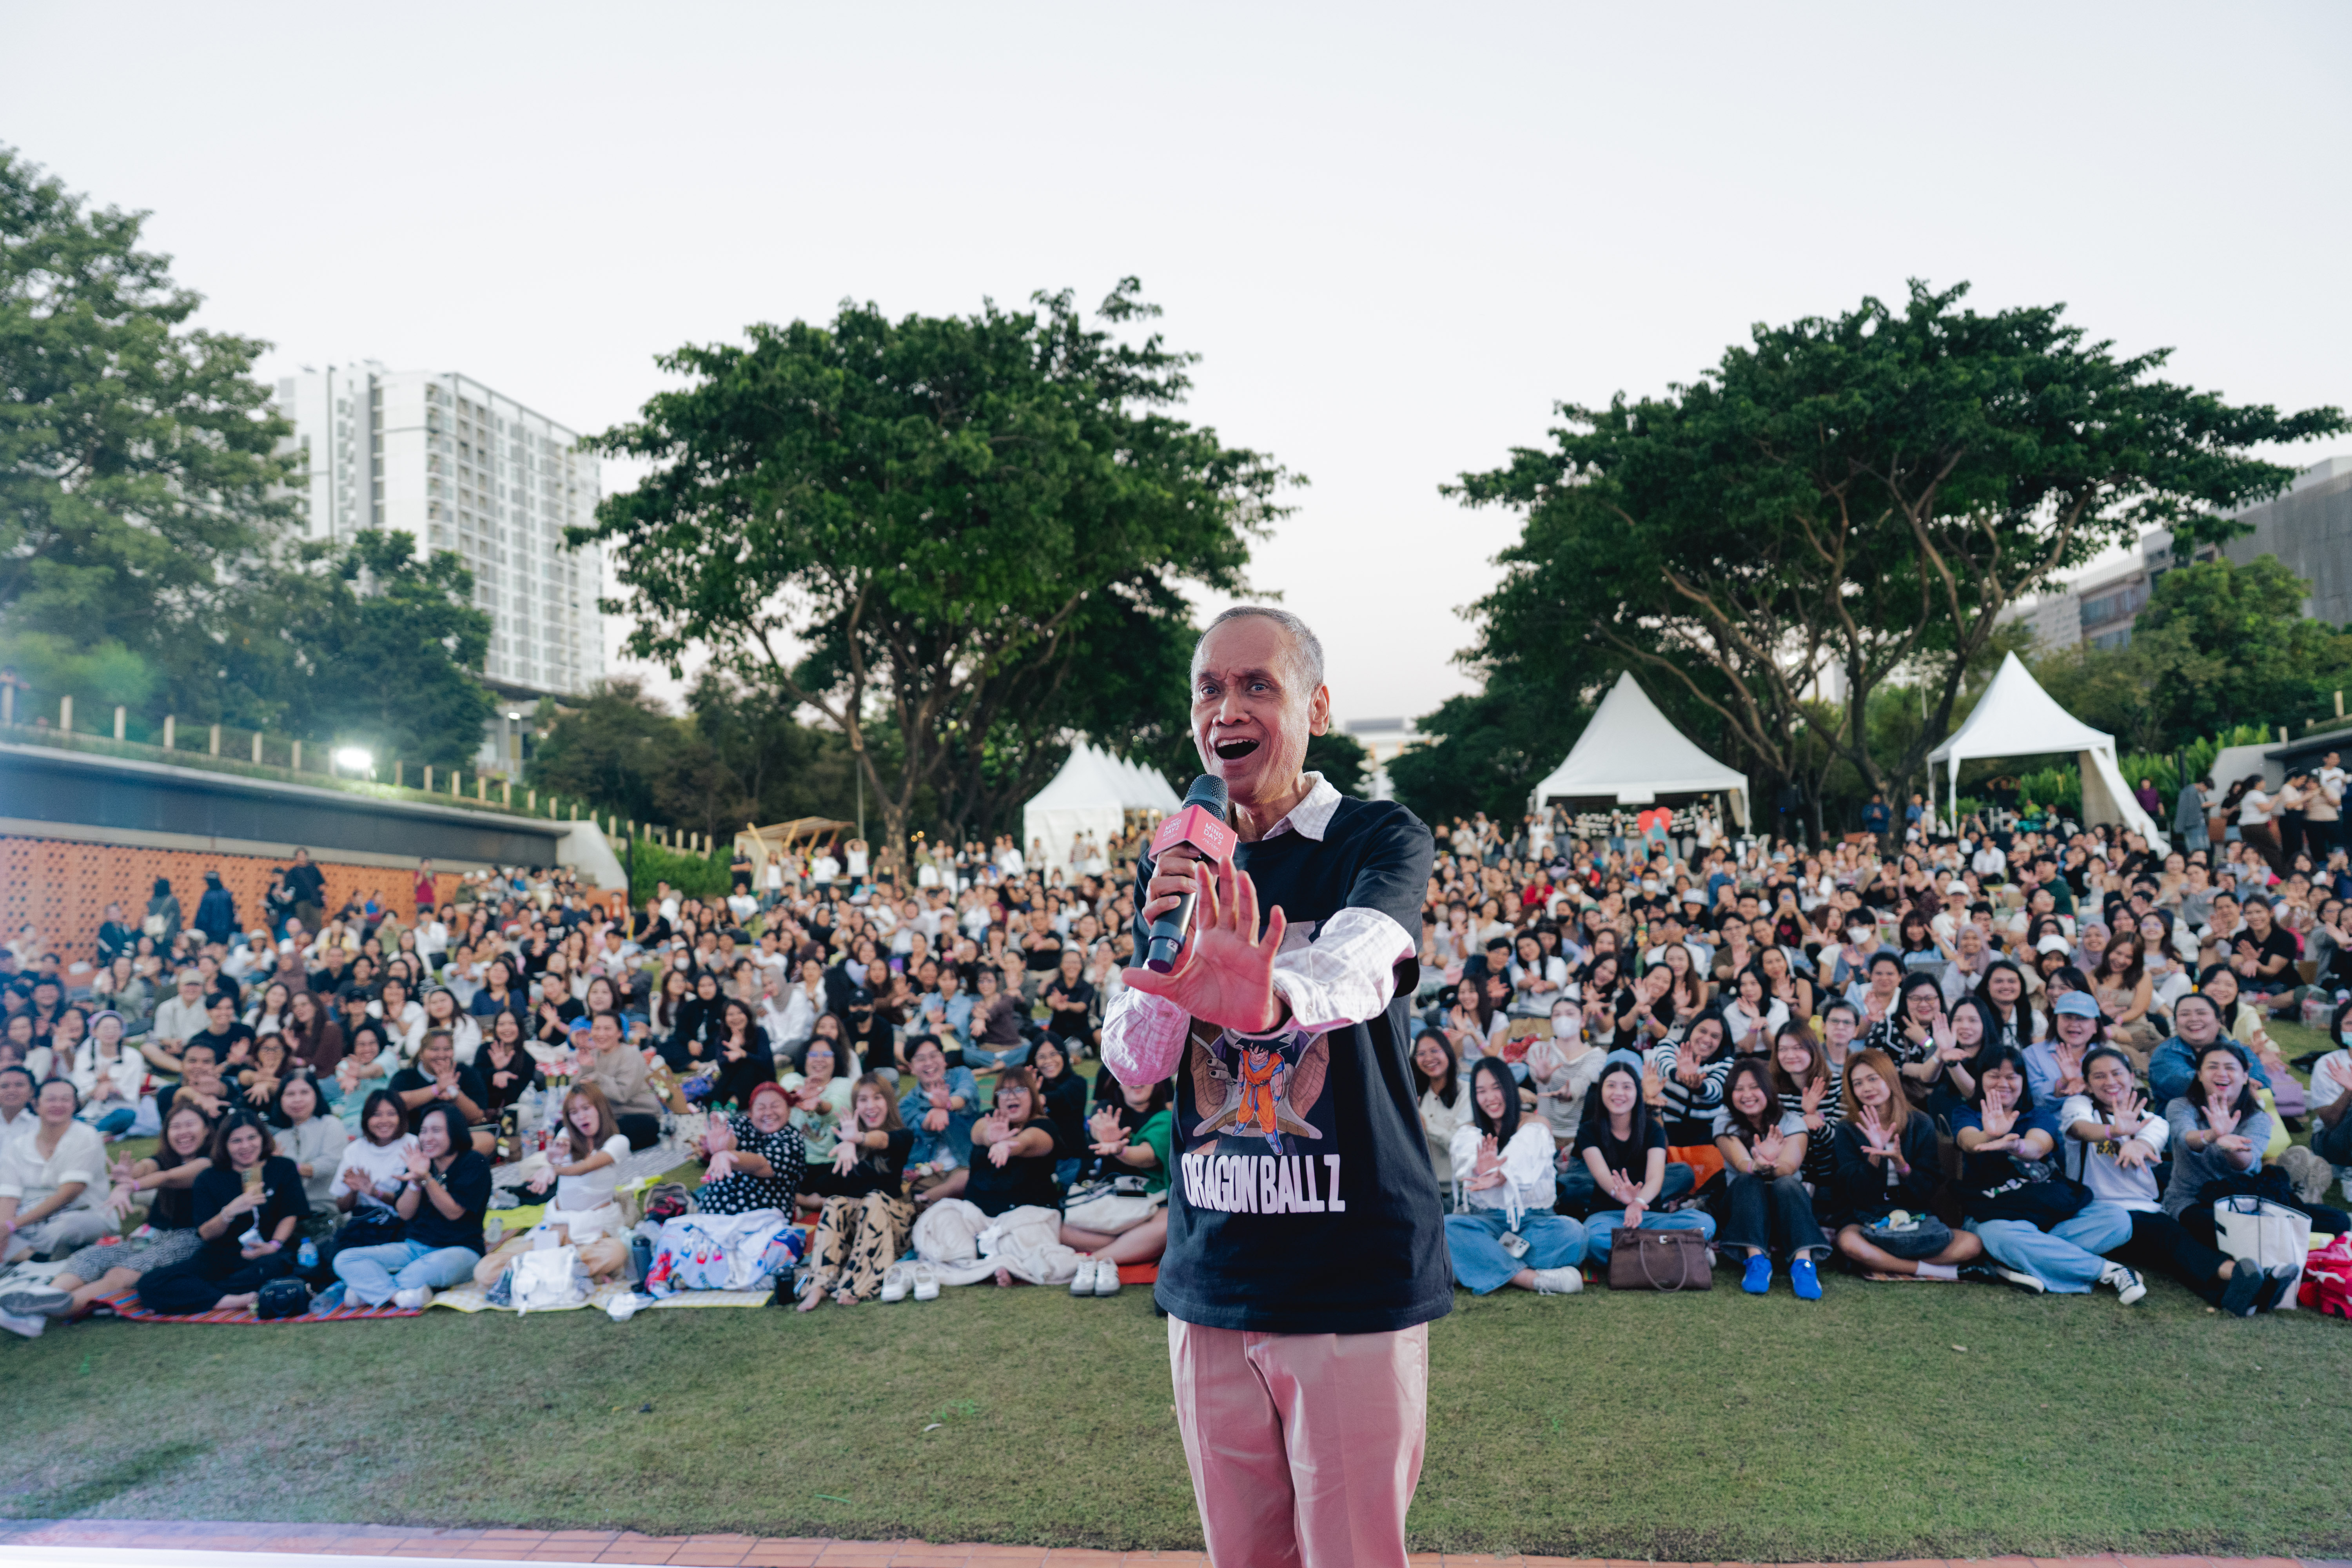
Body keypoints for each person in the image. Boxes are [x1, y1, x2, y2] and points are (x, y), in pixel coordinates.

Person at [2061, 1046, 2273, 1315]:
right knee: (2169, 1238)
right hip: (2097, 1210)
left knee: (2170, 1252)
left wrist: (2138, 1145)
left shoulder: (2154, 1121)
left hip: (2146, 1209)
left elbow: (2148, 1142)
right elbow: (2081, 1130)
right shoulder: (2079, 1107)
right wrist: (2115, 1131)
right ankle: (2237, 1274)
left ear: (2132, 1077)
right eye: (2099, 1076)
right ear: (2089, 1085)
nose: (2110, 1082)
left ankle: (2235, 1293)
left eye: (2117, 1074)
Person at [1952, 1046, 2141, 1300]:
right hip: (1995, 1212)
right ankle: (2107, 1271)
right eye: (1994, 1076)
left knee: (2118, 1220)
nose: (2003, 1084)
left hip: (2046, 1206)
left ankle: (2020, 1260)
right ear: (1981, 1080)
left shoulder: (2038, 1115)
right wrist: (1991, 1135)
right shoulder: (1965, 1113)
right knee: (1999, 1236)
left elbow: (2038, 1147)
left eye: (2012, 1077)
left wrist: (2015, 1146)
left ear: (2023, 1081)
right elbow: (1968, 1141)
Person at [0, 1100, 213, 1322]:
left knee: (124, 1271)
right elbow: (148, 1167)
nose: (183, 1132)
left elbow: (169, 1178)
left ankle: (58, 1307)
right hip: (154, 1236)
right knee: (93, 1255)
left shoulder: (210, 1162)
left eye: (190, 1125)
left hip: (191, 1240)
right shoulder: (167, 1158)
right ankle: (43, 1297)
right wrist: (130, 1173)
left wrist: (132, 1186)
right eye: (176, 1127)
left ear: (207, 1129)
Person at [2163, 1040, 2348, 1250]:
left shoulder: (2258, 1118)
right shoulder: (2180, 1107)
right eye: (2213, 1067)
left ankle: (2269, 1235)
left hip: (2247, 1198)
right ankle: (2280, 1237)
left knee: (2337, 1220)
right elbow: (2186, 1138)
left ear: (2245, 1077)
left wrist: (2230, 1148)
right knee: (2217, 1227)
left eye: (2230, 1068)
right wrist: (2213, 1135)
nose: (2222, 1074)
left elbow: (2246, 1164)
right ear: (2199, 1074)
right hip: (2193, 1201)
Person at [1824, 1049, 1982, 1280]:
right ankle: (1931, 1270)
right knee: (1849, 1242)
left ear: (1889, 1078)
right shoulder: (1847, 1128)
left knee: (1972, 1244)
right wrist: (1875, 1157)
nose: (1866, 1088)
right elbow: (1854, 1192)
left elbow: (1928, 1188)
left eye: (1873, 1079)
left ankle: (1886, 1263)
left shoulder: (1921, 1123)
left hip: (1914, 1217)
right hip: (1866, 1218)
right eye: (1858, 1083)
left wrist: (1902, 1165)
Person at [133, 1111, 309, 1314]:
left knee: (275, 1267)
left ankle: (202, 1295)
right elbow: (206, 1233)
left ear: (263, 1138)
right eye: (236, 1141)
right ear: (224, 1144)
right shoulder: (209, 1178)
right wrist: (230, 1212)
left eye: (252, 1138)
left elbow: (290, 1214)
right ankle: (232, 1299)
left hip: (268, 1254)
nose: (246, 1146)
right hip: (221, 1257)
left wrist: (274, 1245)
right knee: (150, 1283)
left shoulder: (283, 1167)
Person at [1444, 1057, 1586, 1295]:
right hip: (1487, 1222)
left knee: (1573, 1234)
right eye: (1481, 1091)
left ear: (1510, 1088)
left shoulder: (1537, 1124)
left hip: (1534, 1223)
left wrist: (1500, 1175)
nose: (1490, 1098)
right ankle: (1531, 1279)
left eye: (1497, 1088)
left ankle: (1477, 1262)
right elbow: (1467, 1160)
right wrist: (1480, 1169)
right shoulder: (1468, 1131)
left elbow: (1521, 1160)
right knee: (1448, 1227)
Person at [331, 1102, 491, 1309]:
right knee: (345, 1259)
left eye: (436, 1131)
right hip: (414, 1248)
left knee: (423, 1270)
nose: (427, 1138)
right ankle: (398, 1297)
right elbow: (405, 1213)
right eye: (423, 1131)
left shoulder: (473, 1162)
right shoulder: (420, 1163)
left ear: (455, 1132)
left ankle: (369, 1291)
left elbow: (454, 1212)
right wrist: (415, 1182)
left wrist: (426, 1179)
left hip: (460, 1251)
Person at [472, 1085, 632, 1288]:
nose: (581, 1117)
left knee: (616, 1252)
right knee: (485, 1270)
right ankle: (570, 1274)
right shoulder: (567, 1133)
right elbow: (556, 1152)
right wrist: (554, 1157)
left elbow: (586, 1167)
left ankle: (540, 1275)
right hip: (557, 1228)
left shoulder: (618, 1142)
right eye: (574, 1112)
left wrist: (554, 1170)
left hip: (594, 1230)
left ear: (600, 1109)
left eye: (586, 1108)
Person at [1575, 1053, 1717, 1266]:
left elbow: (1655, 1178)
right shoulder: (1588, 1131)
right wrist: (1619, 1193)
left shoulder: (1652, 1129)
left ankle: (1630, 1256)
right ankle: (1677, 1252)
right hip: (1609, 1217)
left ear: (1638, 1093)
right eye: (1611, 1086)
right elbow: (1602, 1174)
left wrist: (1639, 1202)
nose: (1619, 1093)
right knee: (1592, 1237)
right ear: (1601, 1090)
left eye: (1627, 1087)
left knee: (1705, 1223)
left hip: (1650, 1217)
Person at [795, 1073, 915, 1308]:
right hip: (859, 1231)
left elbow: (882, 1140)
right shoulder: (845, 1140)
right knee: (835, 1203)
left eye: (878, 1098)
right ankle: (820, 1283)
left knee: (874, 1199)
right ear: (855, 1105)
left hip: (895, 1229)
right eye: (863, 1100)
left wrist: (858, 1138)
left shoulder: (902, 1136)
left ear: (889, 1102)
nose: (871, 1106)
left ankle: (859, 1285)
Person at [1712, 1058, 1827, 1297]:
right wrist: (1758, 1165)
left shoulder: (1792, 1121)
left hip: (1787, 1213)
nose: (1747, 1095)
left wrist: (1771, 1165)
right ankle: (1757, 1261)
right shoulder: (1724, 1121)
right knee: (1748, 1179)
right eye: (1739, 1089)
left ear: (1768, 1090)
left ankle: (1804, 1264)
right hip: (1743, 1213)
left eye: (1755, 1087)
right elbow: (1741, 1164)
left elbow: (1789, 1167)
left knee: (1786, 1183)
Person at [0, 1080, 114, 1263]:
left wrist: (13, 1226)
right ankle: (38, 1259)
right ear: (36, 1105)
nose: (58, 1105)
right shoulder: (19, 1145)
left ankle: (30, 1257)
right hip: (27, 1217)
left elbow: (68, 1194)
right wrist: (4, 1229)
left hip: (82, 1212)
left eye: (66, 1100)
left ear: (75, 1105)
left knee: (63, 1229)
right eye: (51, 1099)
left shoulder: (86, 1136)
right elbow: (8, 1196)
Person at [695, 1080, 808, 1216]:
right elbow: (731, 1139)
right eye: (761, 1108)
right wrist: (722, 1146)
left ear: (789, 1111)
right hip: (713, 1216)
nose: (768, 1113)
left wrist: (728, 1156)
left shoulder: (793, 1140)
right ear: (750, 1113)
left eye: (776, 1106)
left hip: (762, 1219)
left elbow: (760, 1164)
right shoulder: (742, 1123)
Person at [575, 1011, 663, 1150]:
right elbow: (577, 1095)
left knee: (624, 1130)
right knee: (564, 1126)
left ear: (620, 1033)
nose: (601, 1034)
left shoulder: (631, 1055)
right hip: (606, 1117)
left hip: (636, 1114)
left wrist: (595, 1076)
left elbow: (622, 1095)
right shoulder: (592, 1055)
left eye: (608, 1029)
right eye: (597, 1029)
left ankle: (592, 1144)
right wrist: (586, 1068)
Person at [271, 1071, 348, 1214]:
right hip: (291, 1215)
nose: (297, 1100)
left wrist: (286, 1168)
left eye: (304, 1092)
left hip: (327, 1212)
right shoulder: (279, 1138)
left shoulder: (330, 1124)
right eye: (290, 1094)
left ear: (316, 1095)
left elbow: (329, 1165)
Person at [1410, 1028, 1468, 1174]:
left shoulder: (1466, 1092)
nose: (1428, 1058)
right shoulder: (1414, 1094)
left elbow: (1462, 1145)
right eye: (1421, 1054)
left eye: (1434, 1051)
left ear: (1448, 1052)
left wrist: (1426, 1126)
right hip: (1421, 1181)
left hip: (1455, 1183)